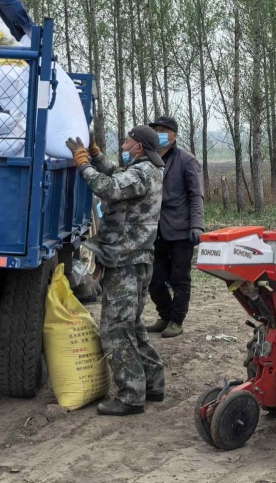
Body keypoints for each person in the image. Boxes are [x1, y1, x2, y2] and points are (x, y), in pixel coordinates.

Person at [68, 125, 165, 416]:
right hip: (137, 258)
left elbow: (108, 187)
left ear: (139, 147)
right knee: (132, 325)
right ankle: (152, 383)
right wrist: (97, 156)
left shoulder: (141, 172)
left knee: (115, 330)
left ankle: (131, 395)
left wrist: (83, 164)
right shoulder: (147, 169)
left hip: (124, 260)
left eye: (127, 141)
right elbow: (117, 175)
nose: (124, 144)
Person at [145, 116, 204, 339]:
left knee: (179, 277)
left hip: (180, 229)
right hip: (154, 229)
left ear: (174, 135)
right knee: (154, 278)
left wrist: (197, 225)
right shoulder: (148, 159)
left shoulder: (187, 161)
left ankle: (177, 321)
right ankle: (165, 315)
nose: (159, 134)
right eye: (156, 130)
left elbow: (196, 196)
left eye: (163, 130)